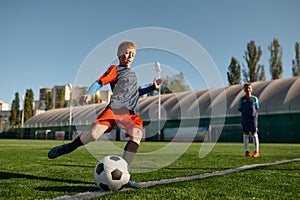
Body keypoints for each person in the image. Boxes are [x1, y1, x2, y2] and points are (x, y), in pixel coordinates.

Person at [48, 41, 163, 188]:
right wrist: (89, 93)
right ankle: (69, 147)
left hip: (131, 113)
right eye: (127, 52)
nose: (129, 56)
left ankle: (125, 176)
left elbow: (136, 93)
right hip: (115, 108)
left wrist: (153, 87)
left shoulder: (133, 74)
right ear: (119, 54)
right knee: (94, 135)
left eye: (133, 55)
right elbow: (99, 82)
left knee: (137, 135)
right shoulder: (115, 69)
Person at [237, 82, 260, 158]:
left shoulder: (254, 99)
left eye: (249, 88)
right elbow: (239, 108)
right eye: (246, 88)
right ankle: (247, 151)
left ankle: (256, 152)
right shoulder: (242, 99)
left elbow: (257, 108)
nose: (248, 89)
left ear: (251, 89)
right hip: (245, 118)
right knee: (246, 133)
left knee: (254, 133)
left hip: (253, 119)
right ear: (244, 90)